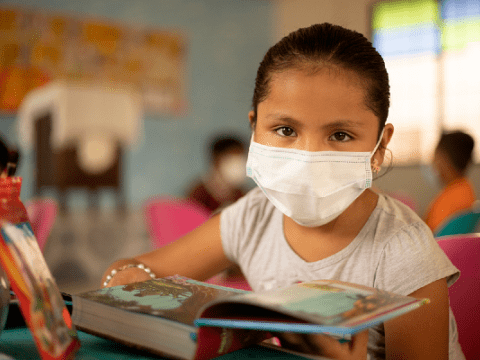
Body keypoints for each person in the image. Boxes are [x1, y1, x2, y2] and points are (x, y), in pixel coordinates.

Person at [102, 23, 463, 360]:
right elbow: (141, 268)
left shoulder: (403, 251)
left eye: (340, 135)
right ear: (255, 128)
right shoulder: (253, 216)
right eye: (286, 130)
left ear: (379, 149)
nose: (307, 158)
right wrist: (126, 278)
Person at [424, 131, 476, 233]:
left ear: (444, 160)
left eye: (435, 158)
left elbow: (430, 235)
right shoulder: (466, 189)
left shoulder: (449, 200)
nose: (433, 163)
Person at [186, 134, 247, 213]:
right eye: (233, 161)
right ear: (216, 161)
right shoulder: (198, 195)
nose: (238, 166)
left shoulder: (242, 196)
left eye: (241, 160)